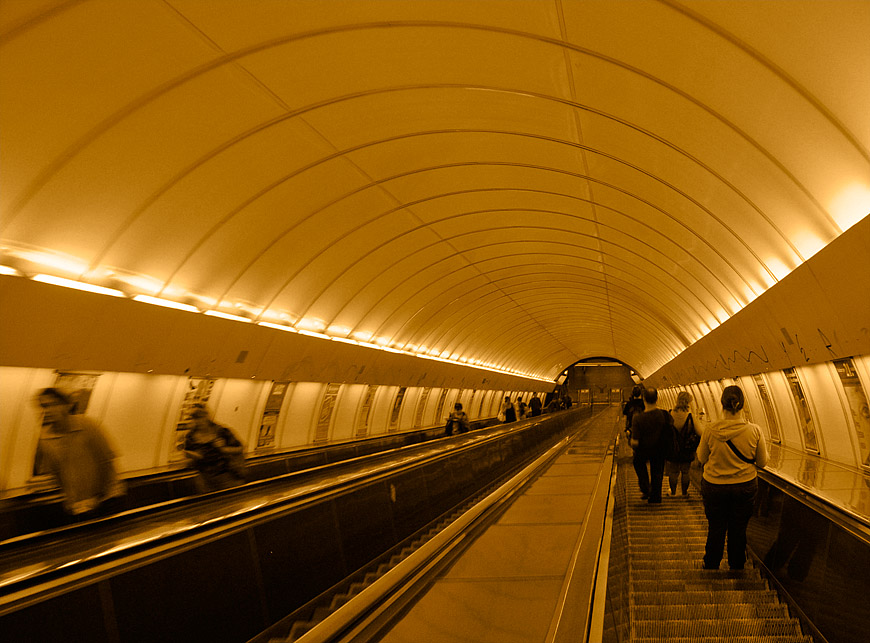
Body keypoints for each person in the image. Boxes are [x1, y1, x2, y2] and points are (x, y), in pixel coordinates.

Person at [697, 385, 769, 570]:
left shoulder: (711, 429)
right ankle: (736, 565)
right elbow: (762, 462)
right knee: (738, 528)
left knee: (716, 527)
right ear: (742, 405)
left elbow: (701, 458)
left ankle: (711, 563)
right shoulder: (755, 431)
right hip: (744, 486)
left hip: (714, 486)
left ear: (722, 405)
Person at [34, 387, 126, 521]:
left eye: (52, 405)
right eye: (43, 406)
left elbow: (107, 462)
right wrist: (70, 499)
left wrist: (99, 497)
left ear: (66, 406)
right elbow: (57, 474)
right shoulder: (46, 439)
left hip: (108, 500)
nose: (47, 411)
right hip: (78, 507)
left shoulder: (88, 426)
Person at [183, 404, 246, 493]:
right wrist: (194, 456)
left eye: (201, 417)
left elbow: (240, 448)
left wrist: (224, 449)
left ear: (207, 416)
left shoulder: (221, 431)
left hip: (227, 476)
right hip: (204, 478)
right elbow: (190, 455)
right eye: (195, 418)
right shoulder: (190, 437)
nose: (199, 421)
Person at [629, 387, 674, 504]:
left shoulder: (638, 419)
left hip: (643, 450)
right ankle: (656, 497)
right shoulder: (664, 415)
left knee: (638, 463)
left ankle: (645, 486)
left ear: (644, 399)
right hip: (660, 449)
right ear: (657, 398)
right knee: (657, 471)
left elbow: (635, 442)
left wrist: (630, 441)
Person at [665, 391, 701, 497]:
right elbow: (700, 432)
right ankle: (685, 493)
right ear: (688, 403)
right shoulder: (690, 416)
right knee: (685, 472)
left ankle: (673, 492)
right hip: (687, 449)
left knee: (673, 471)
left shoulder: (670, 414)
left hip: (673, 449)